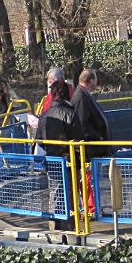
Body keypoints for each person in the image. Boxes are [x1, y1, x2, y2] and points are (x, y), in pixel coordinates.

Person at [35, 80, 84, 230]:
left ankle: (55, 223)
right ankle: (67, 225)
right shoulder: (71, 114)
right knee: (69, 193)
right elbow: (79, 139)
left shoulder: (45, 114)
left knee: (55, 191)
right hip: (68, 160)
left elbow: (39, 139)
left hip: (52, 158)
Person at [69, 69, 112, 216]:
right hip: (89, 149)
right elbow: (82, 124)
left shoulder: (84, 95)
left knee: (91, 180)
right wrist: (98, 138)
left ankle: (95, 207)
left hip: (93, 147)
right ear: (91, 81)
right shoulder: (81, 98)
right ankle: (91, 209)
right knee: (88, 180)